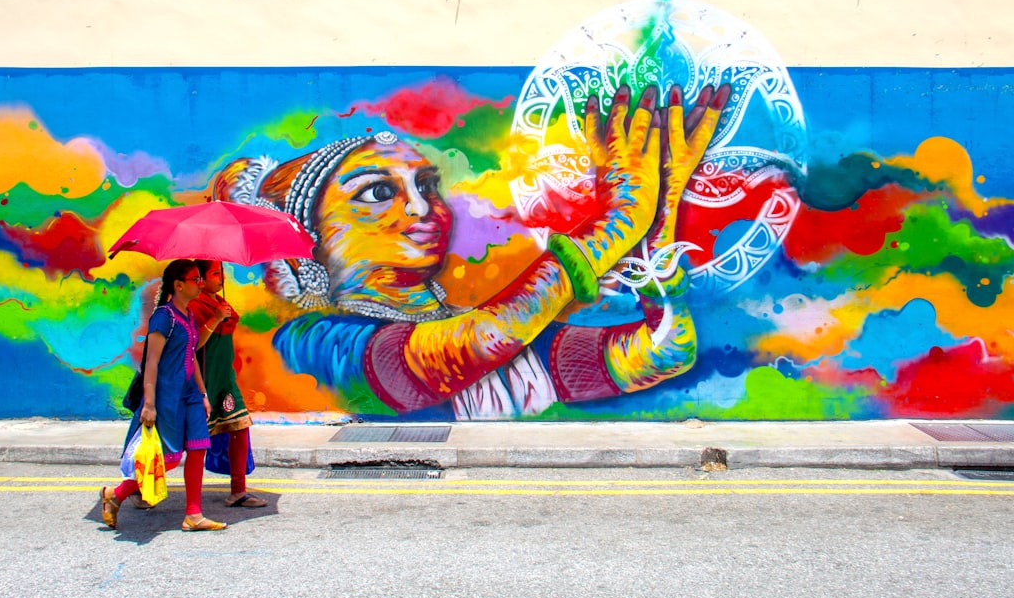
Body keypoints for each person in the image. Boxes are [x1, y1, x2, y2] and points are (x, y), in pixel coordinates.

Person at [214, 82, 729, 419]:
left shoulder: (486, 325)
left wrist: (660, 212)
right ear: (310, 236)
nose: (422, 208)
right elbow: (480, 341)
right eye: (377, 192)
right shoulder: (313, 343)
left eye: (428, 185)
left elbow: (661, 352)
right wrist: (619, 220)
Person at [100, 259, 228, 531]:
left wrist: (203, 393)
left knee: (197, 450)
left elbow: (191, 354)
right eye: (195, 279)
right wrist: (149, 404)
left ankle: (193, 515)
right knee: (167, 459)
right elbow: (152, 362)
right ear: (178, 285)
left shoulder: (189, 316)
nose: (200, 283)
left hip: (190, 396)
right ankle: (116, 494)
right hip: (167, 398)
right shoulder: (164, 317)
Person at [189, 259, 267, 508]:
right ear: (200, 280)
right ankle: (134, 486)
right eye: (215, 273)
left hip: (225, 380)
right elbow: (192, 345)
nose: (221, 278)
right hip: (202, 382)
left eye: (221, 272)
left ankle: (238, 490)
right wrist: (214, 319)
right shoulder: (194, 306)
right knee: (177, 441)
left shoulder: (219, 303)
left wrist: (220, 313)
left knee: (240, 427)